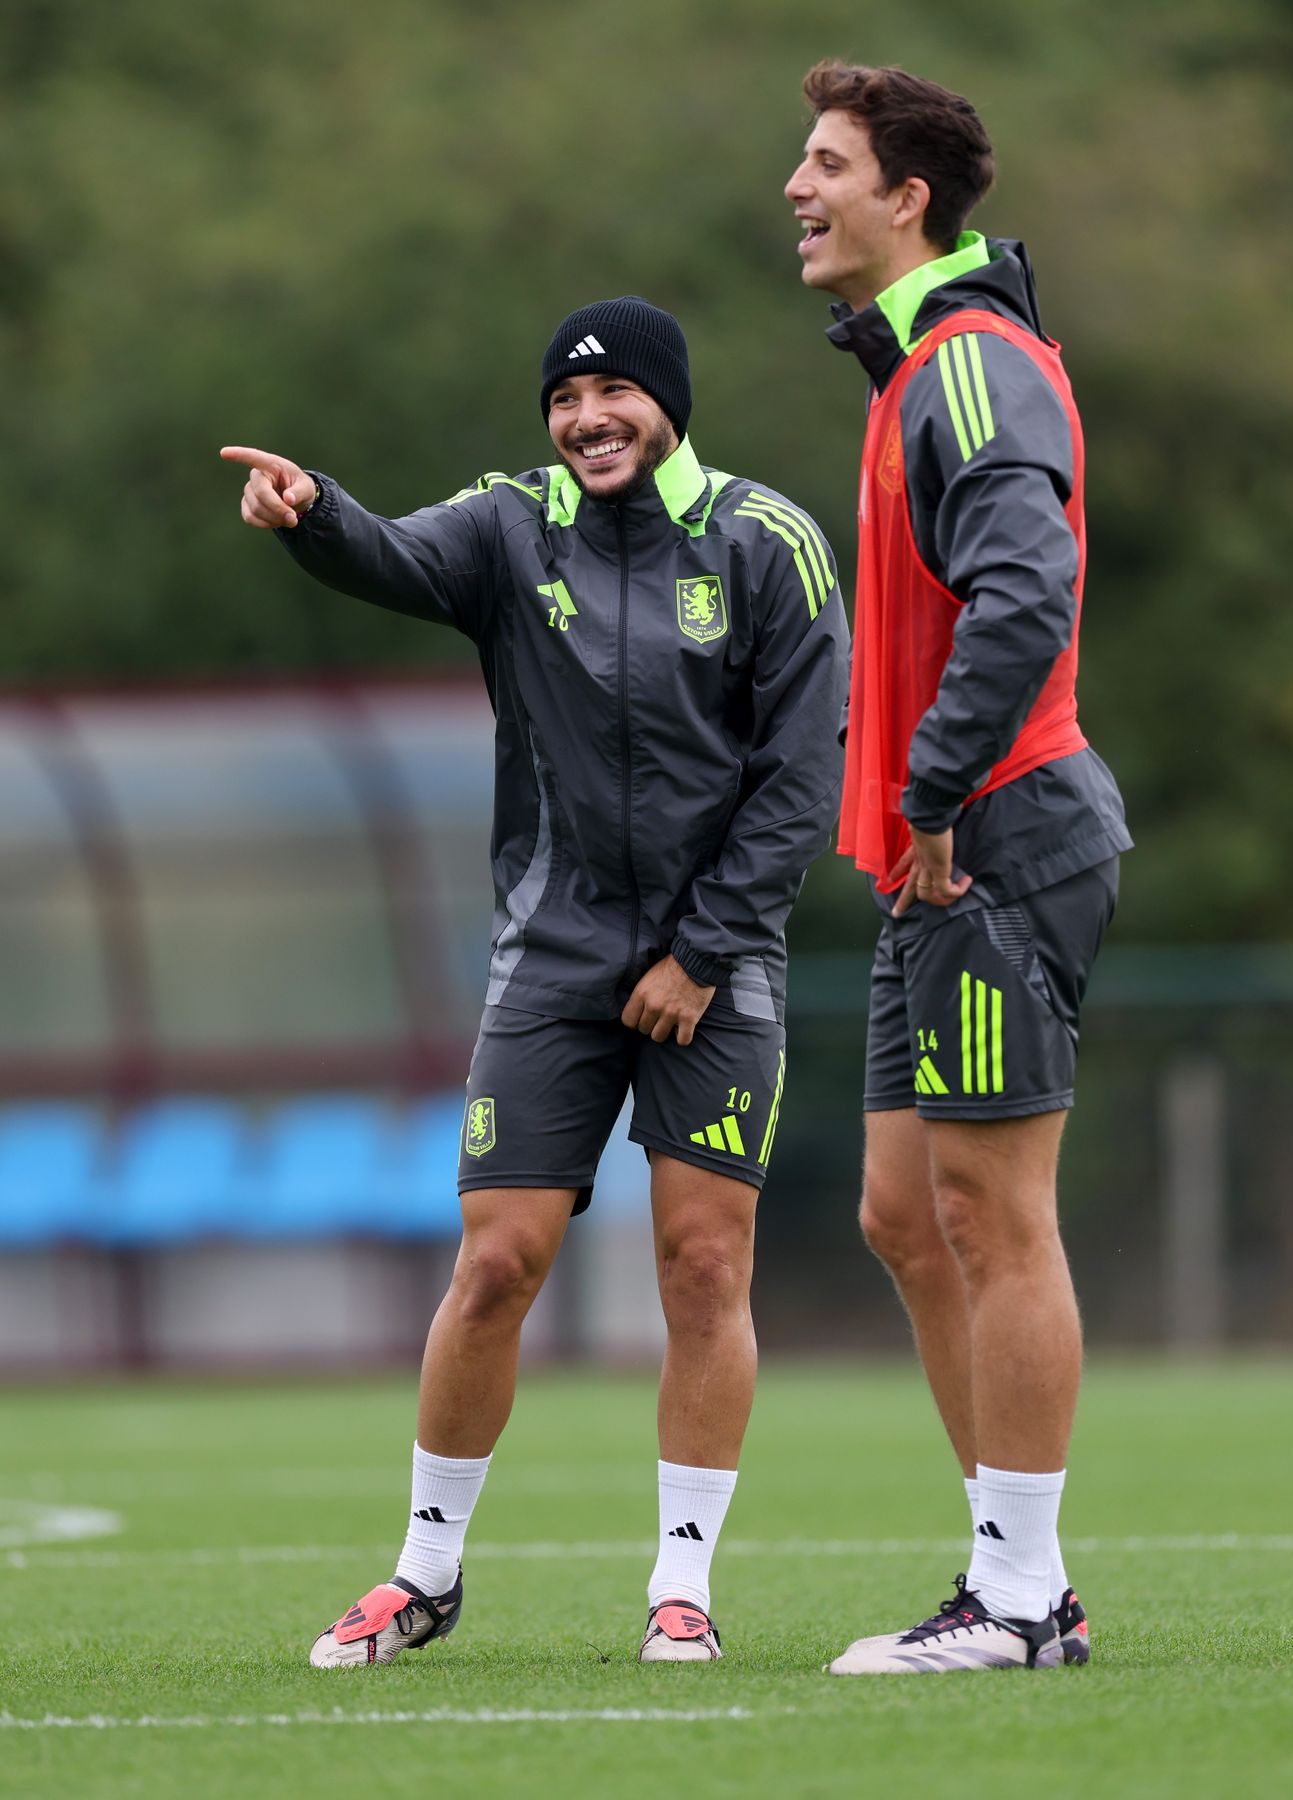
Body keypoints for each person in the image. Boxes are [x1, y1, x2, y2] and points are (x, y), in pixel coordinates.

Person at [221, 296, 849, 1667]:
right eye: (565, 402)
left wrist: (701, 950)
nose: (586, 420)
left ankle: (680, 1590)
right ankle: (424, 1575)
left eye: (614, 393)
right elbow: (392, 555)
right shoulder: (511, 524)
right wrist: (315, 508)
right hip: (553, 958)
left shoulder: (767, 542)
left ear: (669, 402)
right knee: (498, 1262)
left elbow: (804, 781)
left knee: (701, 1264)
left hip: (718, 967)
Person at [785, 63, 1132, 1673]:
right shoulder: (912, 367)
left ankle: (1015, 1598)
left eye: (829, 162)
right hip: (942, 846)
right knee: (906, 1216)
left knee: (994, 1215)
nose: (799, 187)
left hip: (992, 835)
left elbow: (1027, 582)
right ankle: (1015, 1575)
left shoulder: (975, 364)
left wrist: (930, 797)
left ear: (907, 197)